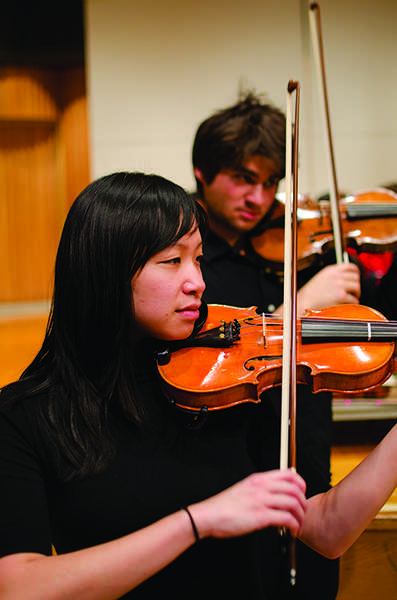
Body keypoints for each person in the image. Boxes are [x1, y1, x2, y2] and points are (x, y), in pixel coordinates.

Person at [0, 171, 396, 600]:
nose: (199, 283)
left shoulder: (228, 384)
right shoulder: (24, 416)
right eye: (172, 261)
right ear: (104, 269)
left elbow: (324, 531)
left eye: (199, 259)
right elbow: (19, 586)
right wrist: (197, 521)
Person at [191, 91, 363, 598]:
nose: (260, 199)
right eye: (244, 178)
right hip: (220, 478)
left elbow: (369, 322)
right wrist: (298, 306)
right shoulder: (180, 252)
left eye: (271, 183)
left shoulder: (301, 242)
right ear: (203, 171)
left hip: (307, 470)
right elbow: (203, 353)